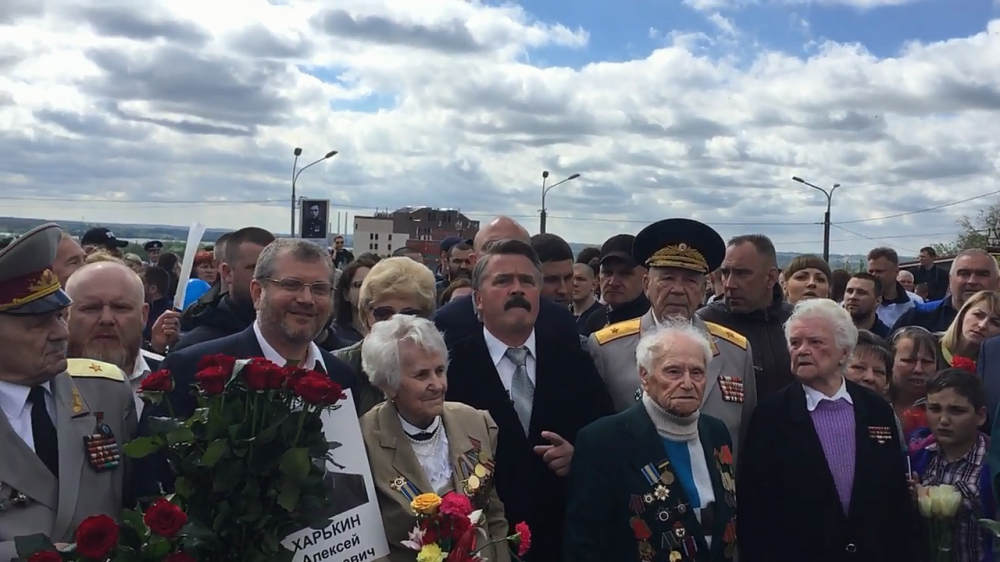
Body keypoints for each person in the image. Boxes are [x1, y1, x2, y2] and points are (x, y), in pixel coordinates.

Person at [444, 239, 614, 561]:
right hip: (484, 546)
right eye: (503, 281)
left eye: (527, 281)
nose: (517, 290)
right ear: (478, 300)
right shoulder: (452, 370)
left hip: (562, 542)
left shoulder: (574, 362)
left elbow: (607, 438)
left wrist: (579, 457)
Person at [738, 299, 920, 562]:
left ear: (844, 353)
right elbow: (756, 510)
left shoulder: (876, 409)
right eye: (795, 343)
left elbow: (894, 498)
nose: (802, 350)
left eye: (815, 342)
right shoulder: (771, 415)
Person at [0, 223, 137, 560]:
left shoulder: (107, 388)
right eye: (39, 323)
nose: (60, 333)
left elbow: (134, 502)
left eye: (60, 317)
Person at [564, 323, 737, 562]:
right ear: (644, 376)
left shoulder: (716, 431)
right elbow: (585, 547)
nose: (687, 383)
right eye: (673, 372)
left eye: (696, 372)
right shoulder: (602, 441)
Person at [588, 218, 757, 460]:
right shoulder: (607, 348)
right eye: (667, 278)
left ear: (703, 289)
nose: (678, 289)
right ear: (647, 284)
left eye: (689, 280)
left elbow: (747, 438)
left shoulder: (735, 350)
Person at [360, 315, 510, 562]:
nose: (437, 384)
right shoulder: (365, 440)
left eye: (440, 371)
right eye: (421, 375)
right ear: (388, 384)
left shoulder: (476, 422)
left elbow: (493, 515)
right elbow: (369, 544)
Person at [158, 239, 357, 419]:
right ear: (257, 293)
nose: (306, 299)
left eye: (319, 289)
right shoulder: (191, 369)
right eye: (291, 285)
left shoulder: (342, 378)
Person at [433, 216, 580, 350]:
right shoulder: (445, 325)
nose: (505, 257)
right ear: (474, 261)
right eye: (492, 248)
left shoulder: (560, 322)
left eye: (516, 248)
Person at [333, 257, 438, 416]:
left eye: (408, 314)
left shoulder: (443, 368)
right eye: (384, 314)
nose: (395, 323)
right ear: (366, 316)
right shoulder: (339, 369)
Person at [911, 369, 994, 562]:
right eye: (935, 409)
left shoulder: (992, 465)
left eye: (956, 410)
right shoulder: (919, 460)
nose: (944, 420)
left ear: (980, 416)